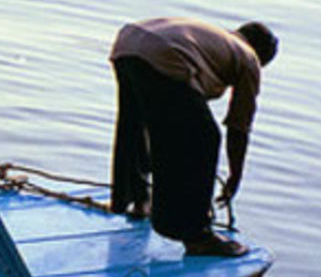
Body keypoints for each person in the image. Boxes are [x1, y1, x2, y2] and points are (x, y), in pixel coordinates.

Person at [108, 17, 278, 257]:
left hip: (128, 42)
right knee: (205, 138)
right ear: (262, 57)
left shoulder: (218, 39)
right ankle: (197, 235)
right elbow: (239, 126)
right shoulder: (249, 57)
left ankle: (137, 200)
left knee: (136, 122)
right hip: (165, 53)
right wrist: (235, 174)